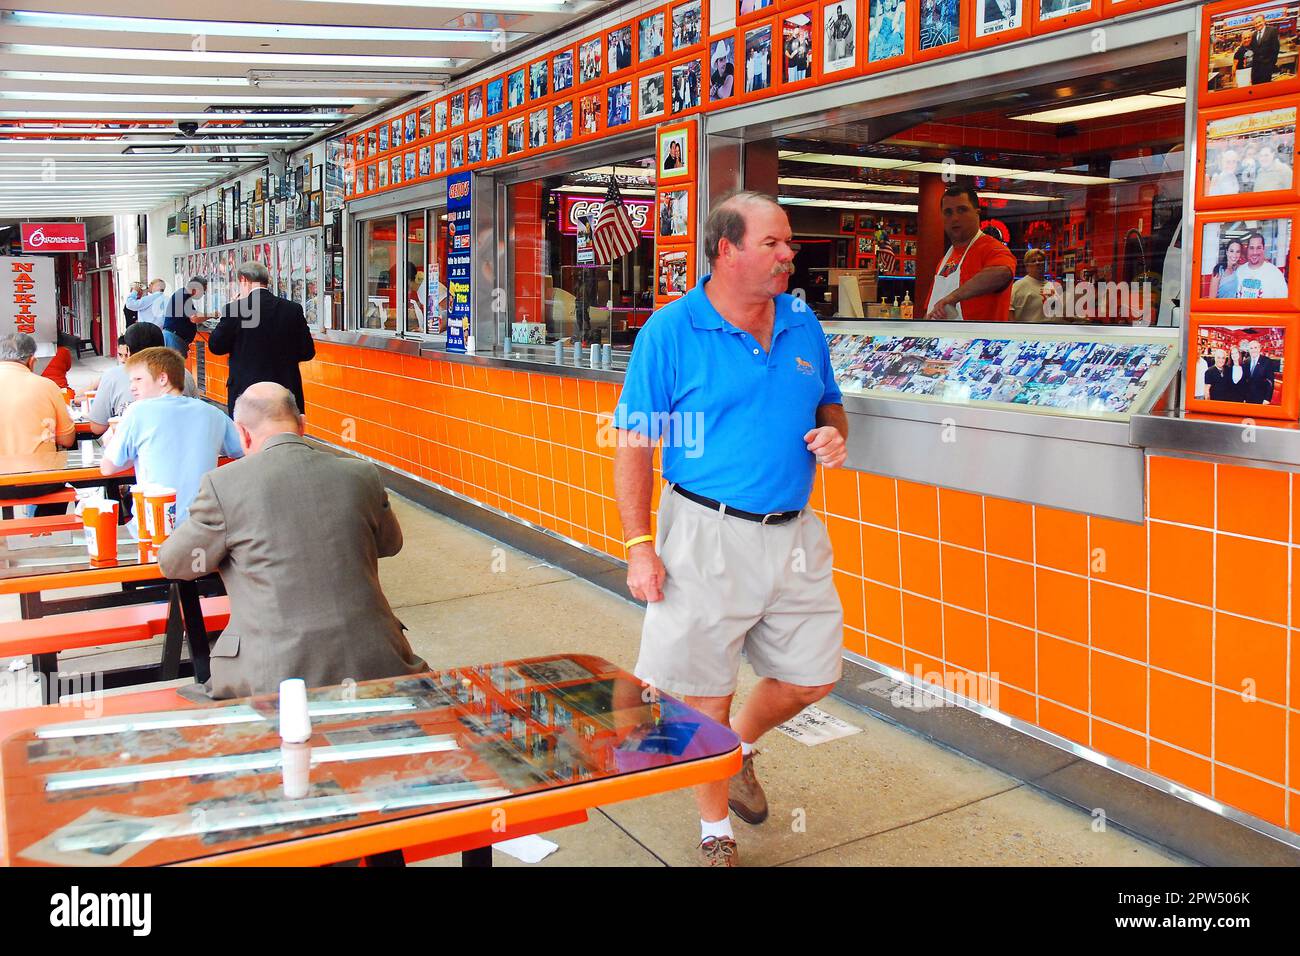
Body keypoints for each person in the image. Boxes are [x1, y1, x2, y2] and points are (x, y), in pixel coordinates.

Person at [613, 190, 849, 867]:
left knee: (812, 676)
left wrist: (833, 439)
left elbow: (832, 410)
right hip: (703, 533)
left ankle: (739, 749)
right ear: (726, 250)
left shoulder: (803, 322)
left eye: (789, 244)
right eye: (773, 243)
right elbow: (633, 443)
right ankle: (716, 831)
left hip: (795, 534)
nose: (789, 255)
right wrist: (639, 547)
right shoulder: (671, 332)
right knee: (703, 697)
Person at [157, 383, 428, 700]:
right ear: (302, 425)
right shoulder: (360, 474)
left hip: (273, 677)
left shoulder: (223, 484)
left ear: (242, 433)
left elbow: (173, 563)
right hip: (379, 661)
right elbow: (389, 544)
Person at [99, 347, 242, 526]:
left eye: (138, 379)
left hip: (156, 524)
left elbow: (108, 468)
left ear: (163, 378)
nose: (132, 387)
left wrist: (112, 441)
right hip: (205, 526)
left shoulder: (137, 411)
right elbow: (243, 448)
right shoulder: (213, 413)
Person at [208, 262, 316, 417]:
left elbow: (216, 346)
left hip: (247, 393)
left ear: (244, 280)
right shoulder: (292, 309)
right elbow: (307, 352)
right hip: (286, 392)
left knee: (249, 437)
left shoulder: (235, 309)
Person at [0, 333, 76, 516]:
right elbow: (67, 439)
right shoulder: (46, 386)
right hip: (39, 482)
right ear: (32, 361)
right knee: (67, 474)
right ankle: (44, 530)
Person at [87, 322, 199, 435]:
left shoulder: (113, 376)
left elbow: (97, 427)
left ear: (129, 351)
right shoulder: (185, 374)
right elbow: (195, 418)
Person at [925, 182, 1016, 320]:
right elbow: (930, 309)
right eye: (948, 212)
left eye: (962, 210)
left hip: (980, 340)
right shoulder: (944, 261)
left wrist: (954, 297)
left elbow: (1003, 272)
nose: (955, 218)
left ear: (977, 213)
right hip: (942, 339)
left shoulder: (992, 248)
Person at [160, 276, 211, 358]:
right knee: (174, 367)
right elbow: (194, 318)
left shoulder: (184, 296)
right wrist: (211, 315)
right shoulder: (182, 296)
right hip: (173, 338)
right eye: (203, 291)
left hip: (175, 338)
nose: (203, 294)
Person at [1009, 249, 1059, 323]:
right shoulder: (1018, 286)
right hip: (1029, 332)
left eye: (1040, 260)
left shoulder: (1053, 286)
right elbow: (1009, 312)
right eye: (1033, 261)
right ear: (1027, 266)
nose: (1037, 263)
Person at [1233, 232, 1288, 298]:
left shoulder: (1275, 273)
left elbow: (1283, 304)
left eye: (1258, 248)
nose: (1254, 252)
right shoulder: (1239, 271)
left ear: (1263, 249)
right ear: (1247, 249)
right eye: (1251, 248)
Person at [1239, 337, 1279, 403]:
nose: (1253, 350)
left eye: (1255, 347)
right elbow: (1244, 381)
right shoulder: (1246, 362)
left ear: (1259, 348)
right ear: (1249, 350)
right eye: (1251, 348)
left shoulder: (1267, 361)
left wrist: (1267, 399)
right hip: (1248, 398)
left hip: (1261, 398)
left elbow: (1270, 382)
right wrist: (1244, 397)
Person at [1247, 13, 1281, 86]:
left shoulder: (1272, 30)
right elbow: (1252, 48)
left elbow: (1276, 48)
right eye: (1255, 23)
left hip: (1267, 66)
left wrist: (1271, 64)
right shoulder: (1254, 34)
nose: (1257, 24)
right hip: (1256, 67)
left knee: (1265, 86)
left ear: (1264, 21)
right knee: (1255, 86)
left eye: (1259, 22)